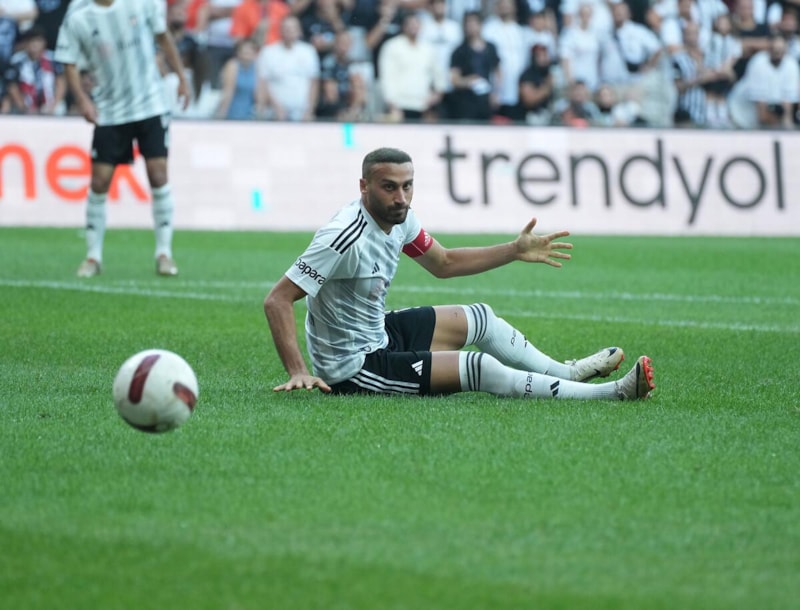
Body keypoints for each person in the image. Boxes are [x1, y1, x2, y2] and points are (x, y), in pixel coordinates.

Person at [264, 147, 655, 401]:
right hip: (352, 367)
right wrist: (298, 371)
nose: (401, 198)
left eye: (407, 186)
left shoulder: (401, 218)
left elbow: (444, 263)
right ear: (364, 186)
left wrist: (514, 250)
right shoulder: (342, 237)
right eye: (389, 188)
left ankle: (567, 372)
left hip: (378, 334)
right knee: (479, 368)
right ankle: (611, 393)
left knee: (481, 318)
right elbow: (278, 299)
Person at [55, 0, 190, 277]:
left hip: (150, 105)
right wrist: (82, 99)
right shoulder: (78, 16)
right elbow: (68, 62)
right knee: (99, 181)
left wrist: (181, 78)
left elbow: (163, 37)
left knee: (158, 175)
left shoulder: (142, 4)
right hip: (110, 110)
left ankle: (164, 253)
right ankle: (93, 256)